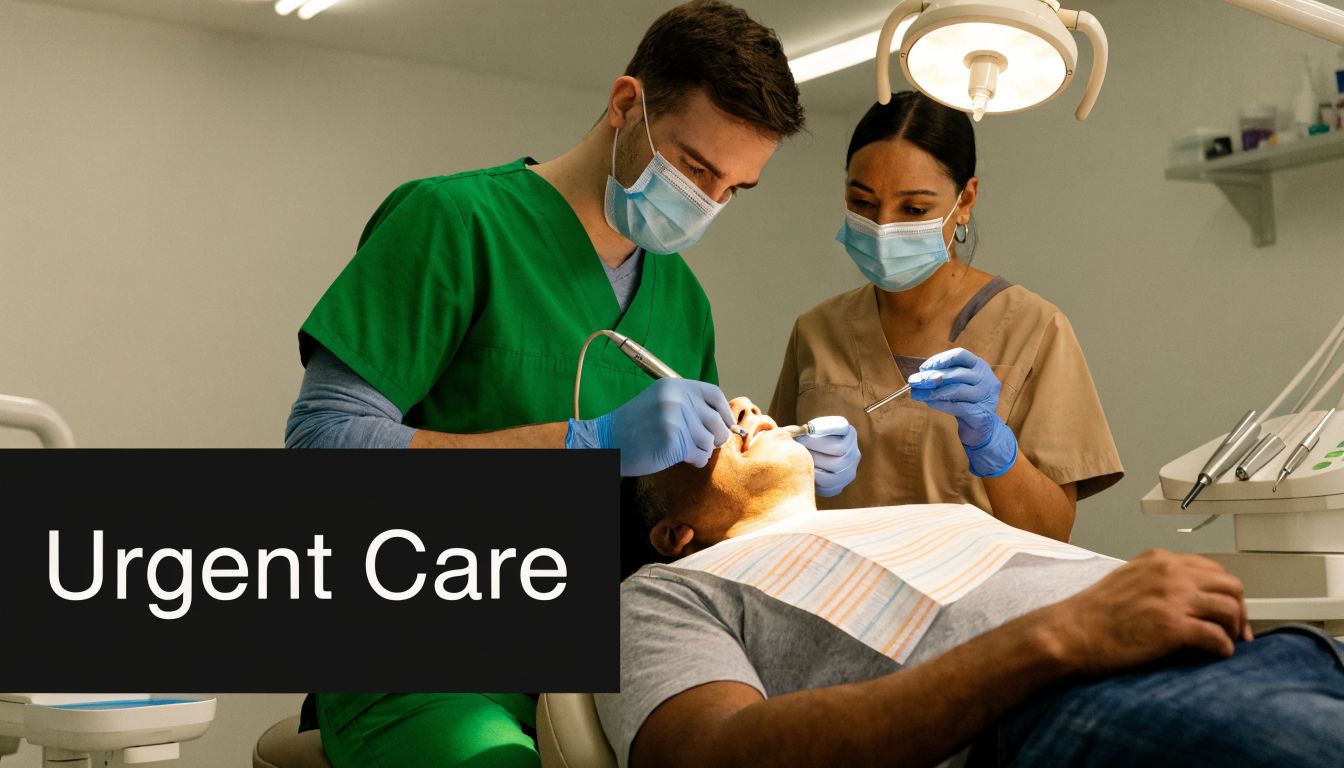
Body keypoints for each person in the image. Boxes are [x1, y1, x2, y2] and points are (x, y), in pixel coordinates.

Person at [282, 3, 859, 766]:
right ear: (627, 106)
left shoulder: (681, 300)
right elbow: (324, 446)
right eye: (694, 168)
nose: (709, 203)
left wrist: (777, 477)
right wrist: (589, 444)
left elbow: (680, 513)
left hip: (615, 651)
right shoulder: (454, 223)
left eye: (734, 188)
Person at [599, 397, 1344, 768]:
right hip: (1069, 707)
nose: (733, 405)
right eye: (687, 432)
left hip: (1271, 653)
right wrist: (1061, 636)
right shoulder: (664, 591)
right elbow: (709, 755)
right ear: (671, 533)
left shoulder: (920, 514)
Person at [770, 92, 1123, 541]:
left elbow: (1052, 532)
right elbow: (765, 503)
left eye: (914, 209)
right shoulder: (816, 331)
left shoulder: (1034, 329)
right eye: (862, 202)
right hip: (833, 599)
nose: (883, 227)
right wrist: (790, 472)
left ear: (966, 199)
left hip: (975, 604)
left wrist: (994, 448)